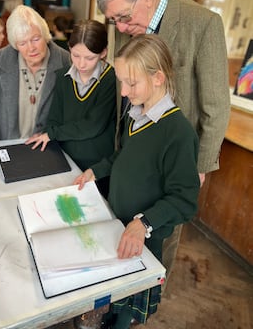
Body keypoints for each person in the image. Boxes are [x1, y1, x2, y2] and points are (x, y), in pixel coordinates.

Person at [95, 0, 230, 276]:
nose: (122, 29)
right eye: (114, 21)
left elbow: (216, 105)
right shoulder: (124, 23)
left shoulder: (203, 22)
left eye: (124, 17)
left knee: (158, 243)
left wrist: (198, 168)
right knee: (122, 232)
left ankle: (148, 300)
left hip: (171, 158)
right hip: (131, 147)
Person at [74, 34, 200, 329]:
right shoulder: (135, 115)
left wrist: (143, 224)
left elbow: (185, 198)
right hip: (116, 227)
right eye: (121, 81)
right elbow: (123, 155)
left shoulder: (178, 133)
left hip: (142, 243)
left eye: (131, 83)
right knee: (110, 302)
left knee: (125, 312)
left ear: (158, 78)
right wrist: (96, 171)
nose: (123, 91)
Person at [0, 5, 71, 153]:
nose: (31, 48)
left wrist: (52, 132)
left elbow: (72, 111)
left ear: (45, 34)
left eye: (35, 39)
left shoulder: (66, 61)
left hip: (49, 148)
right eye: (22, 43)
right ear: (15, 44)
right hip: (9, 145)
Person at [26, 19, 116, 192]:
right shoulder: (62, 77)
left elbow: (93, 125)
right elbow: (54, 118)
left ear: (103, 52)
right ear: (69, 48)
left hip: (96, 167)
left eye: (89, 58)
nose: (81, 64)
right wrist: (48, 136)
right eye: (75, 55)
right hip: (65, 160)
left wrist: (52, 134)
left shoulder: (111, 79)